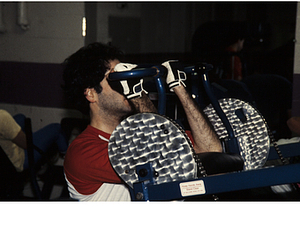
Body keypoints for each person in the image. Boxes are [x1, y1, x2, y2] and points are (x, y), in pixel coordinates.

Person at [62, 42, 222, 201]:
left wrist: (179, 87)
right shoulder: (82, 152)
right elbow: (163, 165)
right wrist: (136, 94)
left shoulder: (140, 132)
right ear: (91, 94)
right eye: (115, 77)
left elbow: (211, 150)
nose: (125, 82)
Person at [0, 109, 68, 172]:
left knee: (21, 118)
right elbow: (26, 144)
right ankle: (67, 153)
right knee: (56, 128)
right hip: (17, 161)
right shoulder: (2, 117)